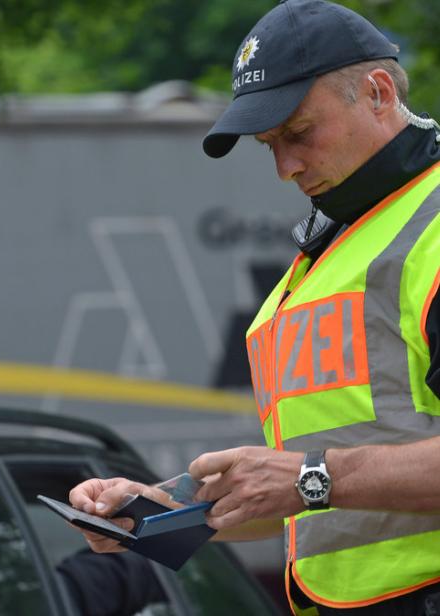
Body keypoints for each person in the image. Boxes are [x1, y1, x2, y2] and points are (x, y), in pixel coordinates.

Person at [68, 1, 440, 614]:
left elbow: (312, 480)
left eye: (298, 133)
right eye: (268, 144)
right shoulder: (329, 252)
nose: (285, 167)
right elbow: (310, 500)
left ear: (376, 93)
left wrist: (310, 478)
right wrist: (156, 513)